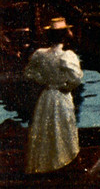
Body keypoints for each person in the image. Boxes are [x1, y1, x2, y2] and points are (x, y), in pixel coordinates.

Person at [24, 18, 82, 173]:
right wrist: (64, 86)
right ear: (64, 36)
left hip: (46, 95)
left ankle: (47, 164)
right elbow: (76, 78)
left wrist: (44, 82)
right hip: (61, 96)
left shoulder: (40, 54)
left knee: (45, 127)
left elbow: (29, 73)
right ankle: (62, 162)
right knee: (62, 127)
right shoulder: (67, 55)